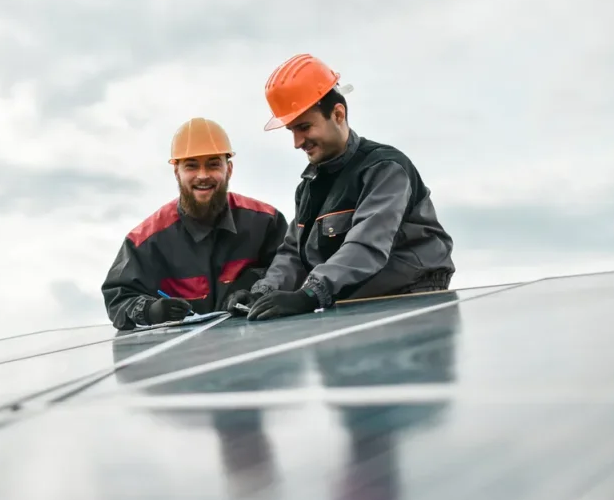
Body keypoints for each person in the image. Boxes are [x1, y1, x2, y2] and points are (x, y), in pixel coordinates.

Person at [226, 53, 455, 321]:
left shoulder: (386, 169)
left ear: (337, 114)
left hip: (413, 300)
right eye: (291, 131)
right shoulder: (309, 187)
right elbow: (293, 254)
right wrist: (262, 292)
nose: (297, 142)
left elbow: (366, 246)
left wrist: (310, 294)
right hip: (353, 304)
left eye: (304, 127)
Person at [102, 117, 288, 330]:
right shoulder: (146, 241)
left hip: (258, 351)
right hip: (186, 359)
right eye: (191, 166)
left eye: (213, 164)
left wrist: (257, 290)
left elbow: (292, 270)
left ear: (229, 169)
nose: (203, 175)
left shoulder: (266, 222)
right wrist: (150, 310)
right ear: (176, 172)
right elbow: (117, 298)